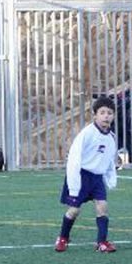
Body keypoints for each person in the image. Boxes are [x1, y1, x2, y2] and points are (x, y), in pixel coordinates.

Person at [54, 95, 119, 253]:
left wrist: (111, 178)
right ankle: (63, 237)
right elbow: (74, 160)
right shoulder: (87, 134)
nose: (106, 116)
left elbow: (109, 160)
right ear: (95, 115)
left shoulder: (111, 138)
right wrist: (74, 186)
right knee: (74, 210)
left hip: (97, 179)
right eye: (102, 112)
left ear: (113, 116)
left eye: (109, 113)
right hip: (81, 176)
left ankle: (102, 242)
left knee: (102, 207)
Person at [112, 76, 132, 164]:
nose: (129, 84)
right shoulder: (125, 93)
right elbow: (115, 98)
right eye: (128, 82)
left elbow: (127, 103)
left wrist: (117, 106)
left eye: (131, 82)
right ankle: (115, 160)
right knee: (115, 139)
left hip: (129, 121)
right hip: (120, 121)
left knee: (130, 142)